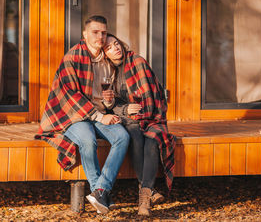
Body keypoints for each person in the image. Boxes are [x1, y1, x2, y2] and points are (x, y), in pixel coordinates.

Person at [35, 16, 130, 214]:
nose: (101, 36)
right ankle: (100, 191)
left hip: (100, 113)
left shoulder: (107, 60)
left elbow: (107, 99)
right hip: (73, 115)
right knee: (87, 140)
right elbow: (70, 95)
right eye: (96, 32)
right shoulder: (73, 57)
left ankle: (101, 192)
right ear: (85, 34)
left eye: (104, 32)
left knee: (122, 137)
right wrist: (98, 116)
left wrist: (108, 102)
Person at [102, 34, 176, 216]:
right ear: (105, 55)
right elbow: (113, 105)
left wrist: (141, 114)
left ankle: (144, 197)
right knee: (133, 134)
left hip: (151, 117)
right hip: (131, 120)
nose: (115, 48)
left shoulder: (137, 62)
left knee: (151, 140)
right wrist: (126, 108)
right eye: (109, 48)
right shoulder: (109, 72)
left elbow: (151, 96)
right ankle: (149, 191)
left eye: (116, 44)